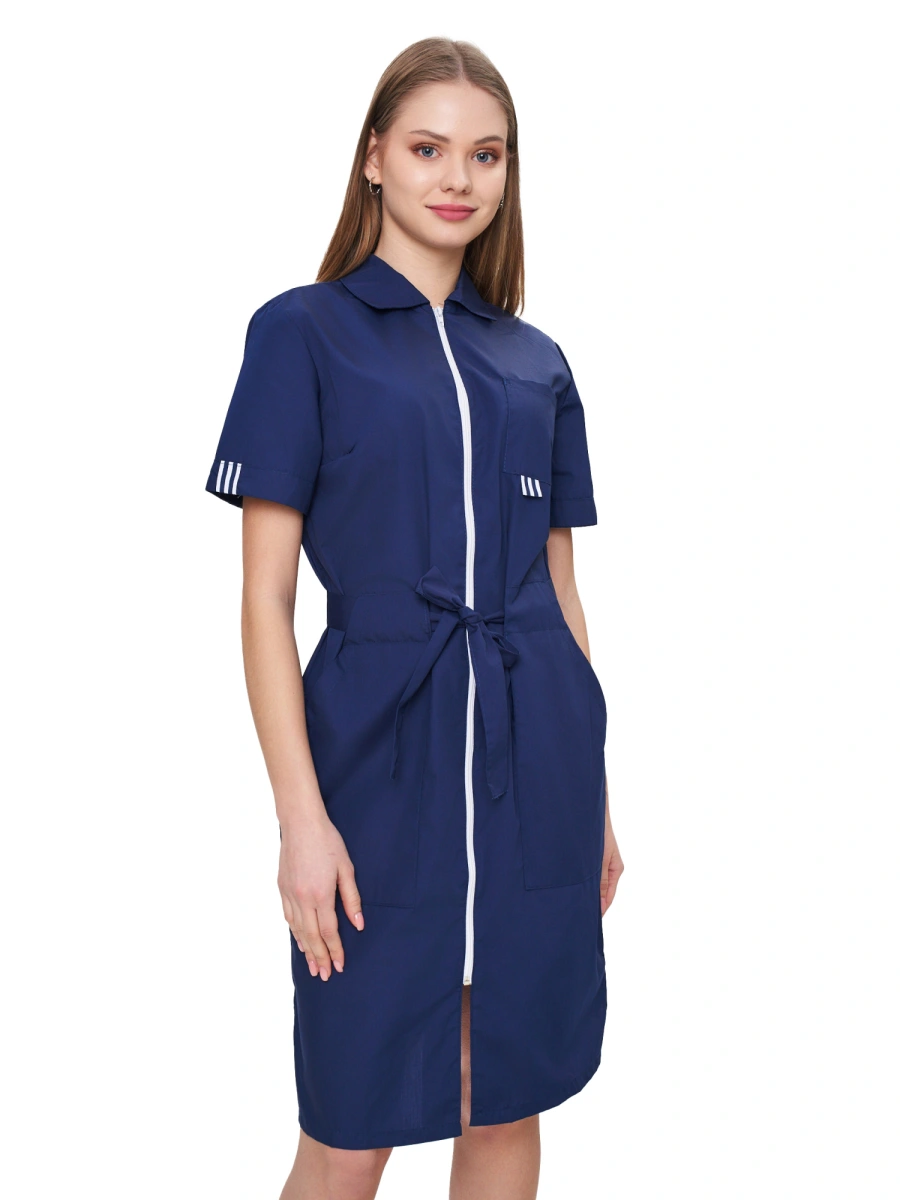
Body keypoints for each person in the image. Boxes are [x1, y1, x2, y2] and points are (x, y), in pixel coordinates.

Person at [205, 35, 625, 1200]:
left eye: (487, 154)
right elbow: (265, 597)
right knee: (353, 1121)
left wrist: (592, 796)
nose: (459, 177)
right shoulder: (301, 333)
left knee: (507, 1097)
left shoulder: (537, 364)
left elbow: (561, 591)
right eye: (430, 148)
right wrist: (300, 818)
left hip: (538, 773)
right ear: (375, 158)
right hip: (377, 768)